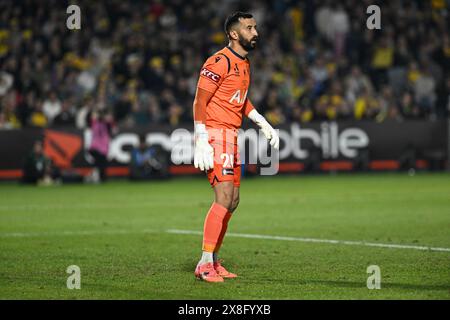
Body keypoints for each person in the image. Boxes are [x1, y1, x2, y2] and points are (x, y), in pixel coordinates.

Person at [192, 12, 279, 283]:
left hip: (232, 135)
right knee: (223, 197)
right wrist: (201, 139)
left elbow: (239, 99)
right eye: (249, 28)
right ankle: (204, 263)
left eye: (255, 27)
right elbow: (199, 101)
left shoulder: (244, 62)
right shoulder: (219, 61)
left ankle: (214, 261)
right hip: (216, 135)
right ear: (233, 34)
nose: (255, 32)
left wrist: (260, 120)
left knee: (233, 201)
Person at [88, 109, 115, 183]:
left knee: (100, 163)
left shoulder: (101, 123)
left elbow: (110, 121)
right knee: (101, 164)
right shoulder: (97, 123)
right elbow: (94, 116)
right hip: (99, 147)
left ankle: (99, 177)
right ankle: (100, 177)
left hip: (98, 147)